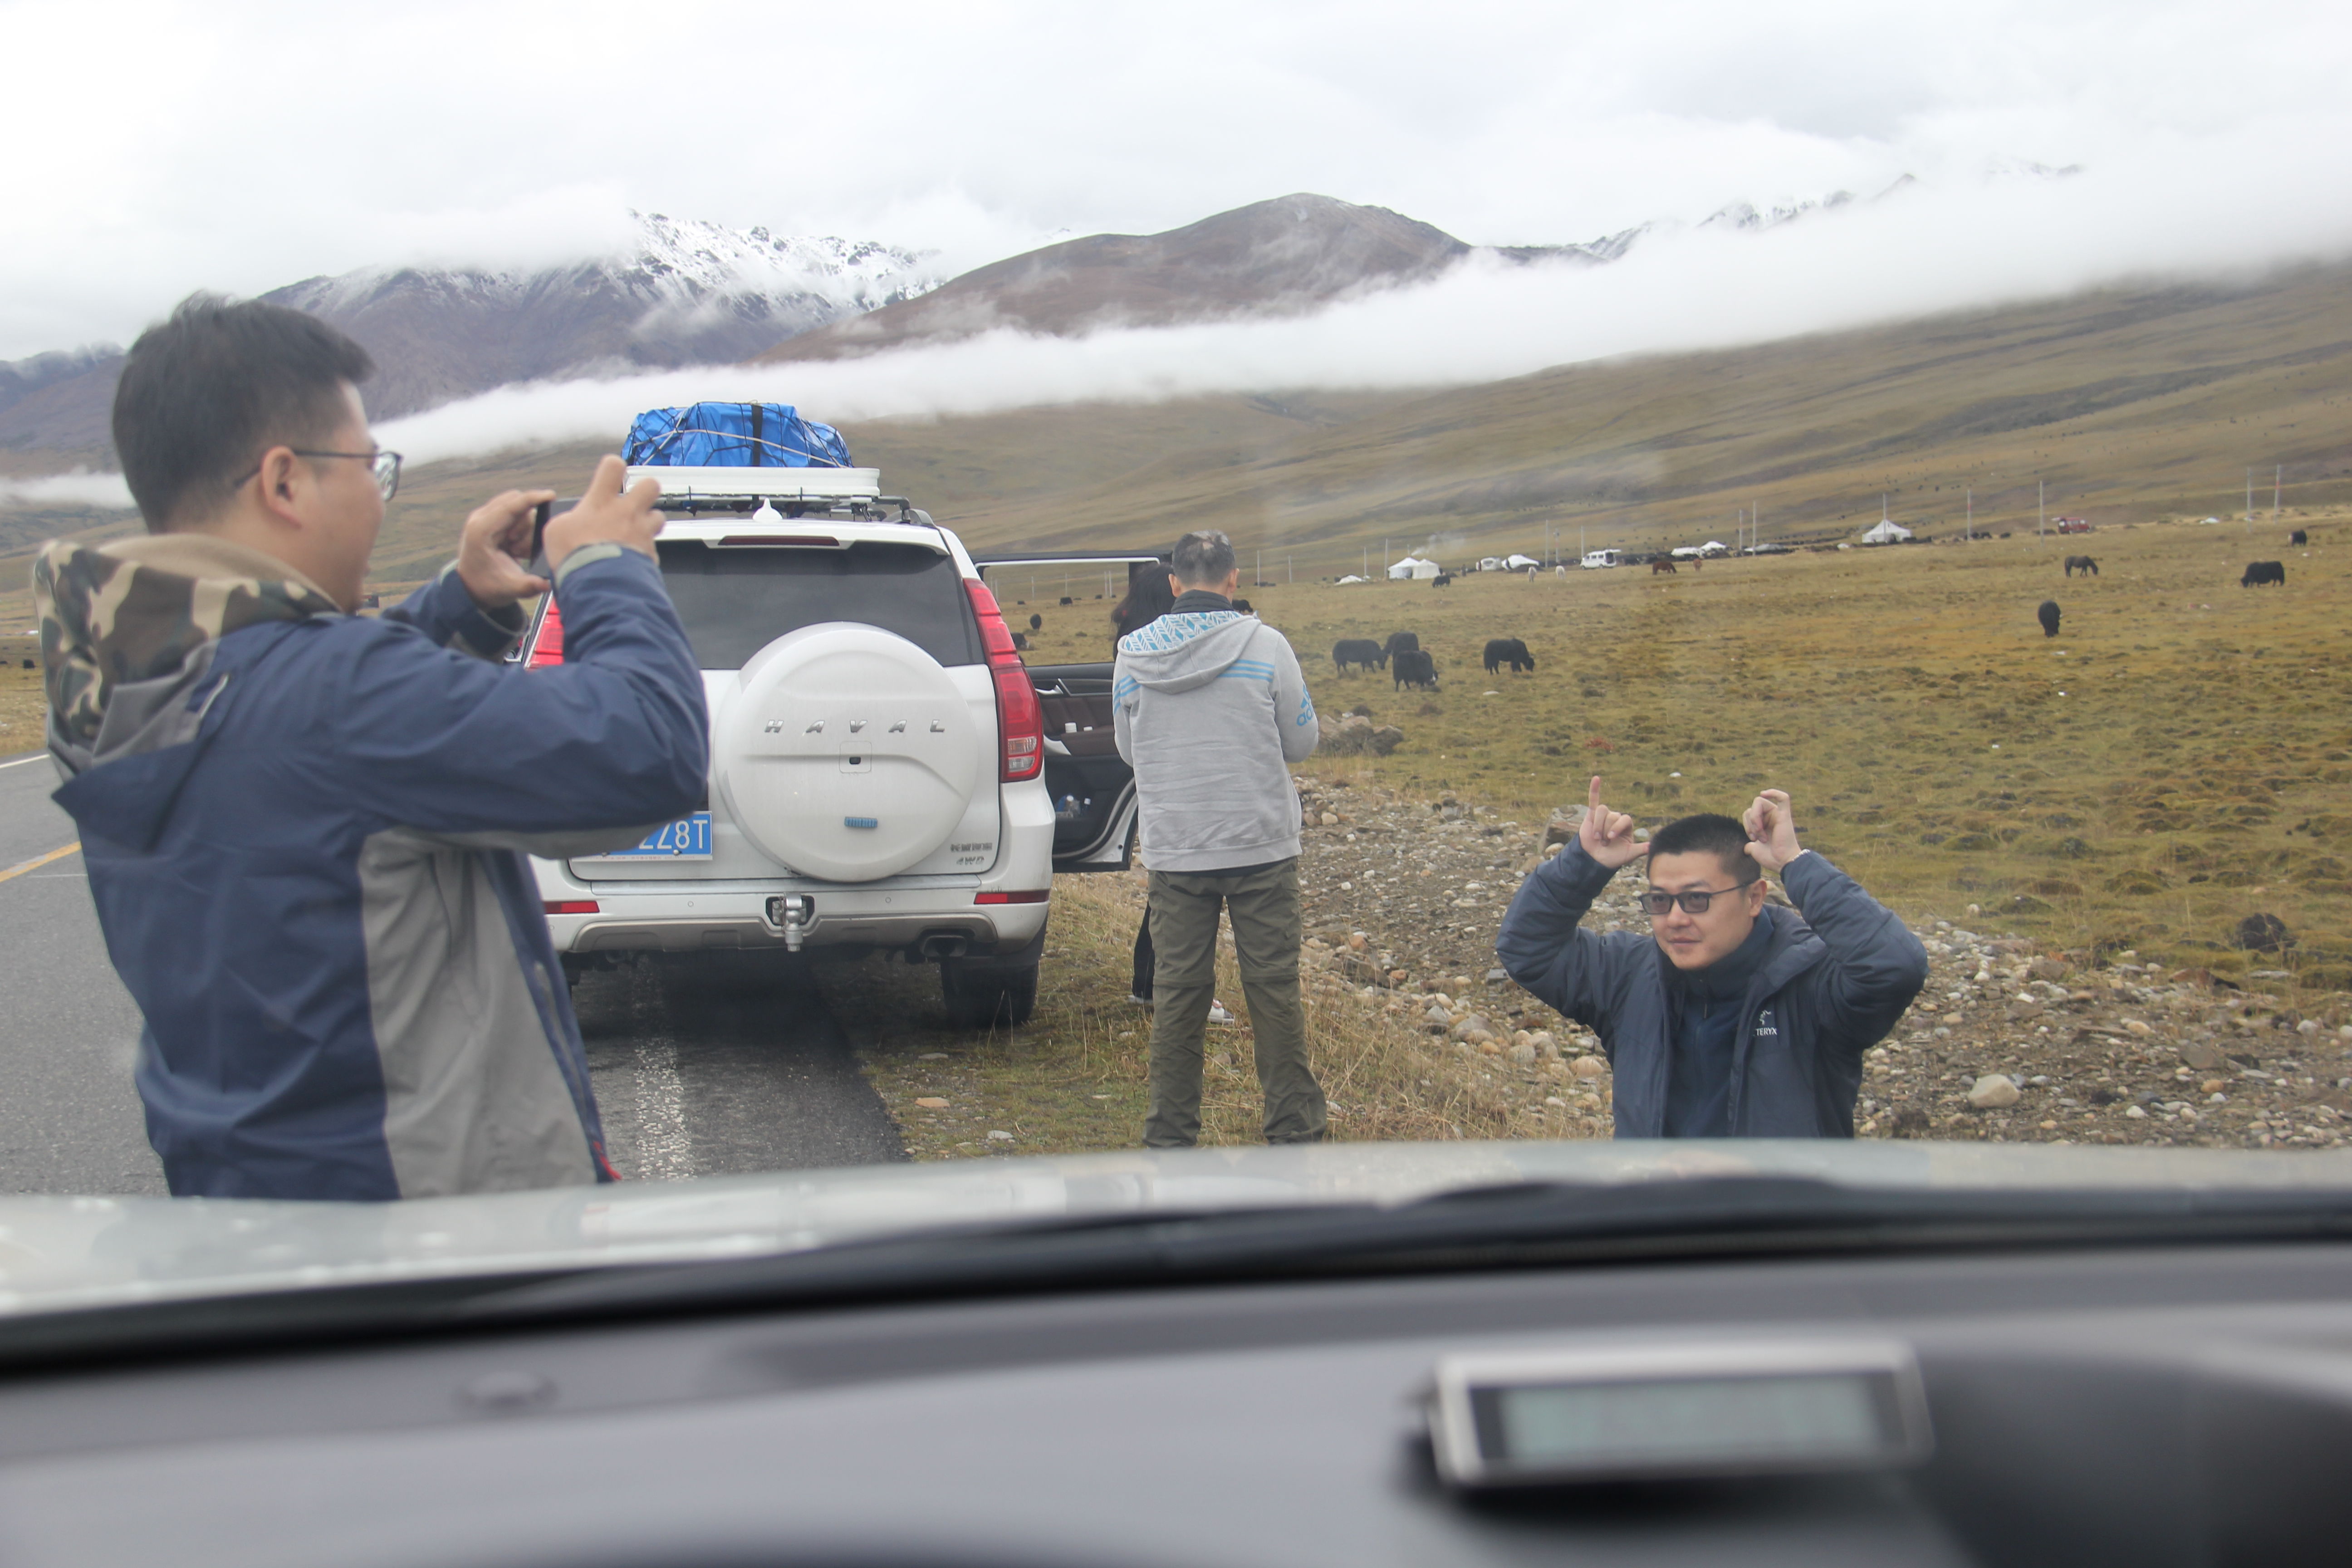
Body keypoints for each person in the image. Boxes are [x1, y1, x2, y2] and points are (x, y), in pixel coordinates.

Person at [36, 295, 707, 1200]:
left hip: (249, 1221)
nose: (377, 495)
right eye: (370, 467)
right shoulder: (338, 696)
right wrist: (607, 568)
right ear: (285, 481)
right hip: (432, 1256)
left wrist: (456, 606)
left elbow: (302, 741)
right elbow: (648, 754)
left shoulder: (134, 683)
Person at [1496, 778, 1927, 1138]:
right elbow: (1528, 948)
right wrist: (1583, 864)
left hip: (1786, 1233)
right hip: (1659, 1226)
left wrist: (1797, 864)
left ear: (1755, 898)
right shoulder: (1629, 977)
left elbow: (1894, 966)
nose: (1676, 919)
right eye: (1661, 901)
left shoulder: (1811, 984)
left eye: (1698, 899)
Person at [1114, 530, 1323, 1147]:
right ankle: (1294, 1131)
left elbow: (1130, 751)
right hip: (1261, 844)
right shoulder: (1268, 645)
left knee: (1179, 995)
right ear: (1234, 579)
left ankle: (1170, 1136)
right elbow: (1302, 742)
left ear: (1175, 583)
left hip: (1178, 849)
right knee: (1273, 990)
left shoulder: (1132, 655)